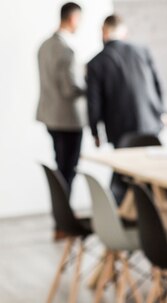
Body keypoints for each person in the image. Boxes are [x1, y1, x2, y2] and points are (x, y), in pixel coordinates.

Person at [86, 14, 166, 203]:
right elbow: (157, 84)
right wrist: (161, 112)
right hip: (150, 123)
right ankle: (145, 212)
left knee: (124, 171)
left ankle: (123, 212)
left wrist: (95, 132)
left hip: (120, 128)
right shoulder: (142, 50)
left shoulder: (96, 62)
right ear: (124, 33)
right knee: (148, 171)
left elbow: (93, 102)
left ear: (103, 32)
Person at [36, 2, 85, 195]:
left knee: (60, 166)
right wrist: (88, 80)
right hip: (68, 119)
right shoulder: (66, 50)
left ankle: (61, 215)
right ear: (73, 18)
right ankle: (65, 216)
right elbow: (70, 88)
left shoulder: (44, 46)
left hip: (49, 115)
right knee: (68, 170)